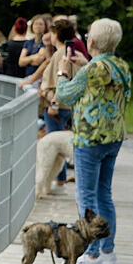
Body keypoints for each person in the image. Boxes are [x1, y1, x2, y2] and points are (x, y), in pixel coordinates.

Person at [56, 18, 130, 264]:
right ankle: (108, 251)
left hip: (89, 138)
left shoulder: (92, 69)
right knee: (104, 194)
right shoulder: (119, 65)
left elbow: (64, 95)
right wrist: (86, 65)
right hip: (114, 137)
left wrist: (63, 72)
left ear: (93, 42)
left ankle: (93, 255)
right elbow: (104, 81)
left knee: (86, 197)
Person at [40, 19, 79, 185]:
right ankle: (59, 181)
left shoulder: (60, 54)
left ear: (56, 35)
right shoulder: (70, 52)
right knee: (58, 148)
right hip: (67, 106)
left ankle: (58, 181)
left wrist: (53, 104)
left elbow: (59, 81)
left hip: (57, 107)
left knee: (54, 149)